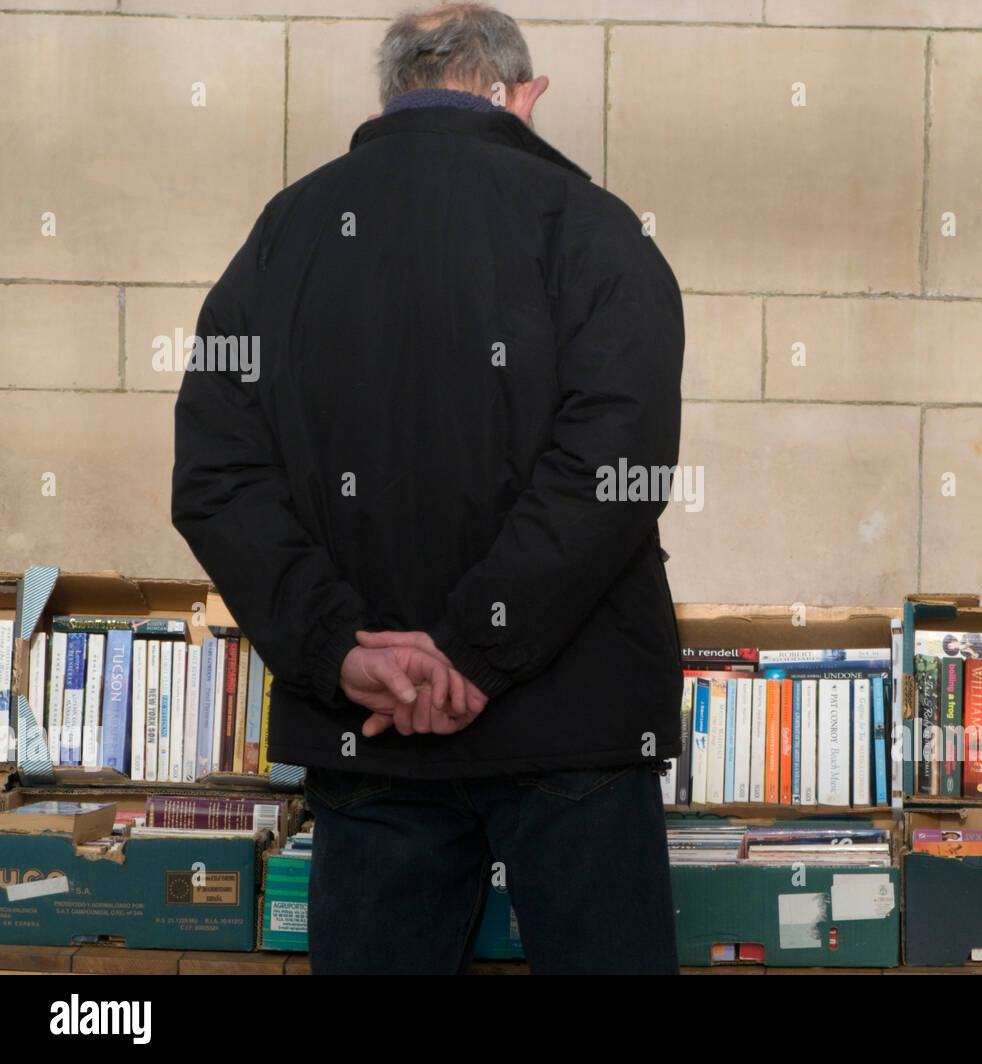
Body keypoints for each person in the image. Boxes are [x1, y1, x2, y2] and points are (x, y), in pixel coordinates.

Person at [171, 2, 685, 975]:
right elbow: (618, 467)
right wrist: (473, 651)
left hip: (369, 729)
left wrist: (342, 648)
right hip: (571, 727)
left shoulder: (280, 238)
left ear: (392, 94)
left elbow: (216, 477)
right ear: (520, 96)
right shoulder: (594, 228)